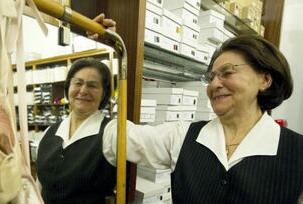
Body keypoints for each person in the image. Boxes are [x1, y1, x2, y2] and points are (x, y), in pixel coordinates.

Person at [103, 34, 303, 203]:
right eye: (211, 77)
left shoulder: (297, 151)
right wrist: (105, 51)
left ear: (264, 80)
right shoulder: (182, 136)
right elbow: (118, 136)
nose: (214, 84)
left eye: (227, 72)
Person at [35, 58, 116, 203]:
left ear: (103, 93)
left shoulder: (111, 133)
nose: (83, 91)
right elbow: (40, 185)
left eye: (92, 86)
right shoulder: (50, 131)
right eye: (78, 83)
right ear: (68, 88)